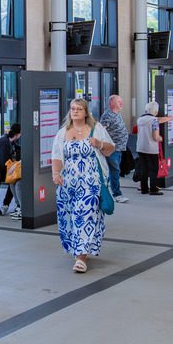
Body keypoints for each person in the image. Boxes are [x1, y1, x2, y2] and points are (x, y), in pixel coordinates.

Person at [51, 98, 116, 274]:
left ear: (86, 112)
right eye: (72, 108)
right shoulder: (63, 132)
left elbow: (111, 149)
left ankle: (81, 257)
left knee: (85, 215)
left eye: (79, 109)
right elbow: (57, 156)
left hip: (91, 182)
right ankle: (78, 248)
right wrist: (56, 173)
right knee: (70, 217)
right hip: (68, 183)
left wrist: (100, 144)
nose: (75, 111)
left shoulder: (96, 129)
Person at [97, 95, 131, 204]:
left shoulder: (117, 114)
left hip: (119, 149)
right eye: (119, 102)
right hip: (111, 150)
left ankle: (112, 193)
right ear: (111, 103)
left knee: (114, 172)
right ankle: (117, 194)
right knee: (114, 171)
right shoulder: (107, 115)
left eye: (121, 101)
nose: (121, 103)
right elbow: (101, 131)